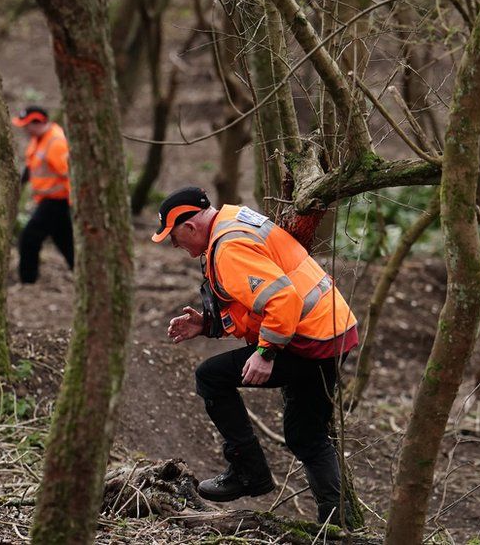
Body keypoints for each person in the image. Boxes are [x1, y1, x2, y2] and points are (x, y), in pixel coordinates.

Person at [152, 186, 360, 526]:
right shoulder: (233, 221)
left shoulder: (228, 249)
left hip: (309, 339)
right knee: (307, 437)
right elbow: (255, 304)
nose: (176, 246)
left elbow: (282, 301)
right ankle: (338, 527)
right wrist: (209, 325)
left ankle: (247, 471)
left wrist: (265, 352)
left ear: (189, 227)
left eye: (174, 238)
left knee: (210, 376)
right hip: (332, 330)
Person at [13, 106, 74, 283]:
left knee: (29, 238)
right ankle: (84, 272)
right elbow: (31, 166)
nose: (24, 129)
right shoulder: (38, 139)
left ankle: (28, 280)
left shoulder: (56, 143)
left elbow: (71, 174)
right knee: (65, 241)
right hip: (48, 201)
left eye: (27, 125)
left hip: (56, 201)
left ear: (38, 122)